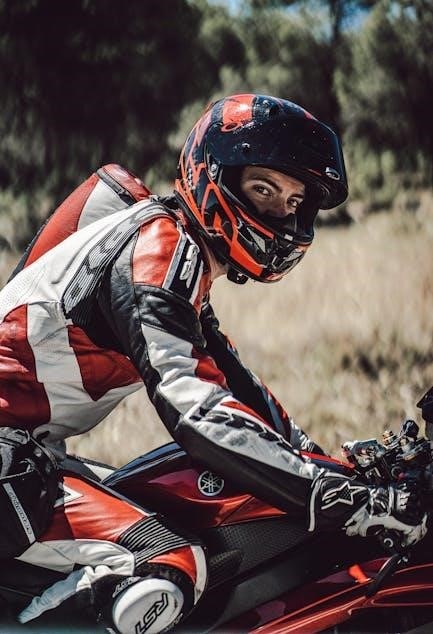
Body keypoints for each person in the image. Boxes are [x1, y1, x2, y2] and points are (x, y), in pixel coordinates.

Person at [0, 94, 427, 633]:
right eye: (264, 189)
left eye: (294, 201)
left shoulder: (175, 252)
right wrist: (342, 499)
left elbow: (237, 387)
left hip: (26, 455)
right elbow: (195, 406)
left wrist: (337, 471)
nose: (281, 213)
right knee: (163, 560)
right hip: (10, 462)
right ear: (212, 175)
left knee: (181, 503)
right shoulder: (158, 246)